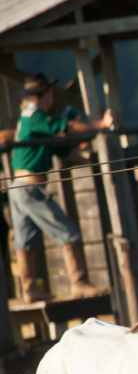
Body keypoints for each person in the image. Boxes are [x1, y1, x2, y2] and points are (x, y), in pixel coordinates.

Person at [9, 73, 114, 302]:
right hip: (29, 188)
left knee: (24, 240)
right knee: (68, 232)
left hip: (19, 188)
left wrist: (90, 162)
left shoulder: (33, 120)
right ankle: (79, 283)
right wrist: (101, 125)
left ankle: (30, 289)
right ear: (45, 95)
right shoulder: (35, 116)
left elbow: (60, 150)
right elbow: (67, 127)